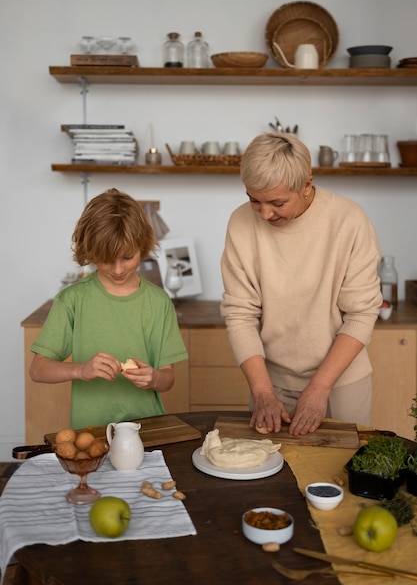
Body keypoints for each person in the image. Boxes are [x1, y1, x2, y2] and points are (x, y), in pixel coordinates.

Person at [221, 132, 382, 437]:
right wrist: (263, 393)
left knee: (341, 474)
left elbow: (361, 315)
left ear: (307, 184)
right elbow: (240, 314)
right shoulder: (240, 223)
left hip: (342, 381)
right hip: (269, 382)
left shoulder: (349, 220)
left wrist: (319, 388)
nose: (265, 214)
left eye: (277, 202)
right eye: (254, 200)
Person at [29, 188, 188, 429]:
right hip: (91, 432)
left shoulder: (158, 302)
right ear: (89, 251)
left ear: (142, 246)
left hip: (147, 430)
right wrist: (81, 370)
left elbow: (167, 378)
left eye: (127, 257)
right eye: (105, 259)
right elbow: (38, 370)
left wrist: (154, 378)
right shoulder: (72, 299)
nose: (117, 269)